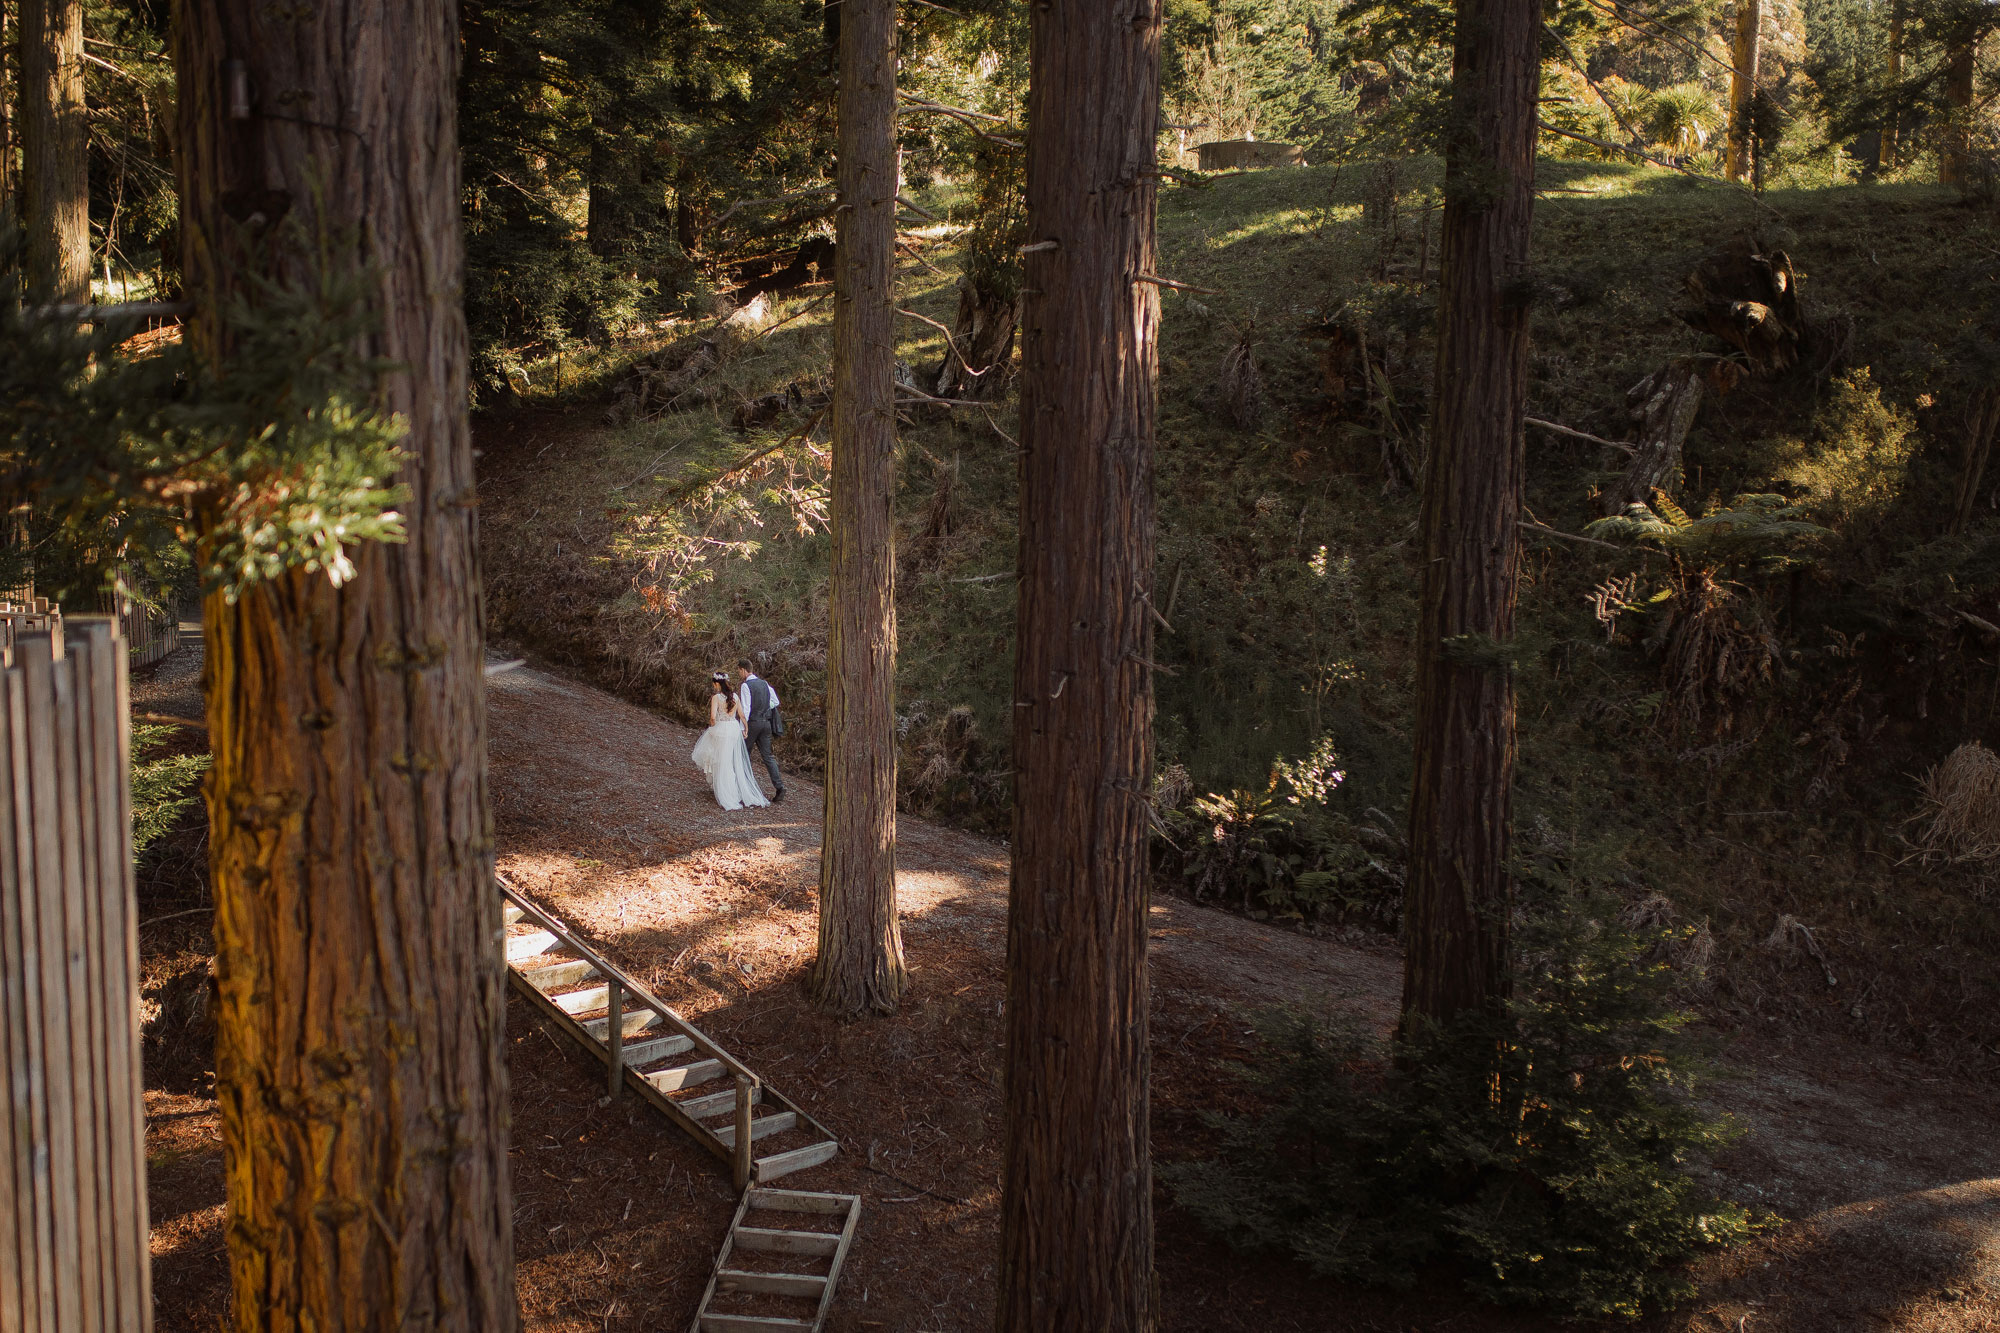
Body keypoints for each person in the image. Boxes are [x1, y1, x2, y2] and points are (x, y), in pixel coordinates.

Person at [691, 672, 770, 811]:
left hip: (722, 728)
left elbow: (713, 717)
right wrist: (745, 729)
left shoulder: (716, 698)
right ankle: (731, 789)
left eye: (714, 684)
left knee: (720, 759)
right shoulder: (735, 697)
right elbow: (742, 715)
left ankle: (724, 791)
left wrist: (712, 727)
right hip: (733, 729)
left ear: (717, 684)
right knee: (729, 759)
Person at [736, 658, 787, 802]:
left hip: (752, 723)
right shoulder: (764, 684)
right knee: (768, 757)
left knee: (743, 755)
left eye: (739, 671)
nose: (739, 674)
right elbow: (775, 702)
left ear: (743, 670)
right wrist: (764, 706)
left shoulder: (746, 686)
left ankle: (744, 790)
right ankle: (780, 787)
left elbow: (746, 708)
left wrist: (742, 727)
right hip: (766, 724)